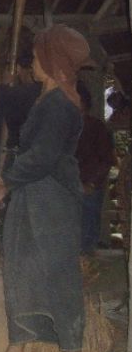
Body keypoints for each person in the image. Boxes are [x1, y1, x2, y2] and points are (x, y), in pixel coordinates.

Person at [0, 24, 93, 352]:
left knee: (57, 272)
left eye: (39, 54)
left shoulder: (59, 104)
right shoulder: (49, 98)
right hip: (34, 196)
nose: (33, 61)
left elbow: (42, 156)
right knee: (22, 270)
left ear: (51, 58)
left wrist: (5, 181)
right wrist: (7, 186)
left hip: (50, 201)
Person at [75, 82, 115, 255]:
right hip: (70, 188)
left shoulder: (96, 127)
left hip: (88, 189)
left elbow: (107, 160)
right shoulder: (65, 127)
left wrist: (91, 183)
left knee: (87, 237)